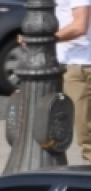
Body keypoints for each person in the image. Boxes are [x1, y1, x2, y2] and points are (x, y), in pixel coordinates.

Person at [57, 0, 91, 163]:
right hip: (76, 63)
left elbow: (80, 26)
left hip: (81, 66)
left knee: (87, 139)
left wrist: (44, 38)